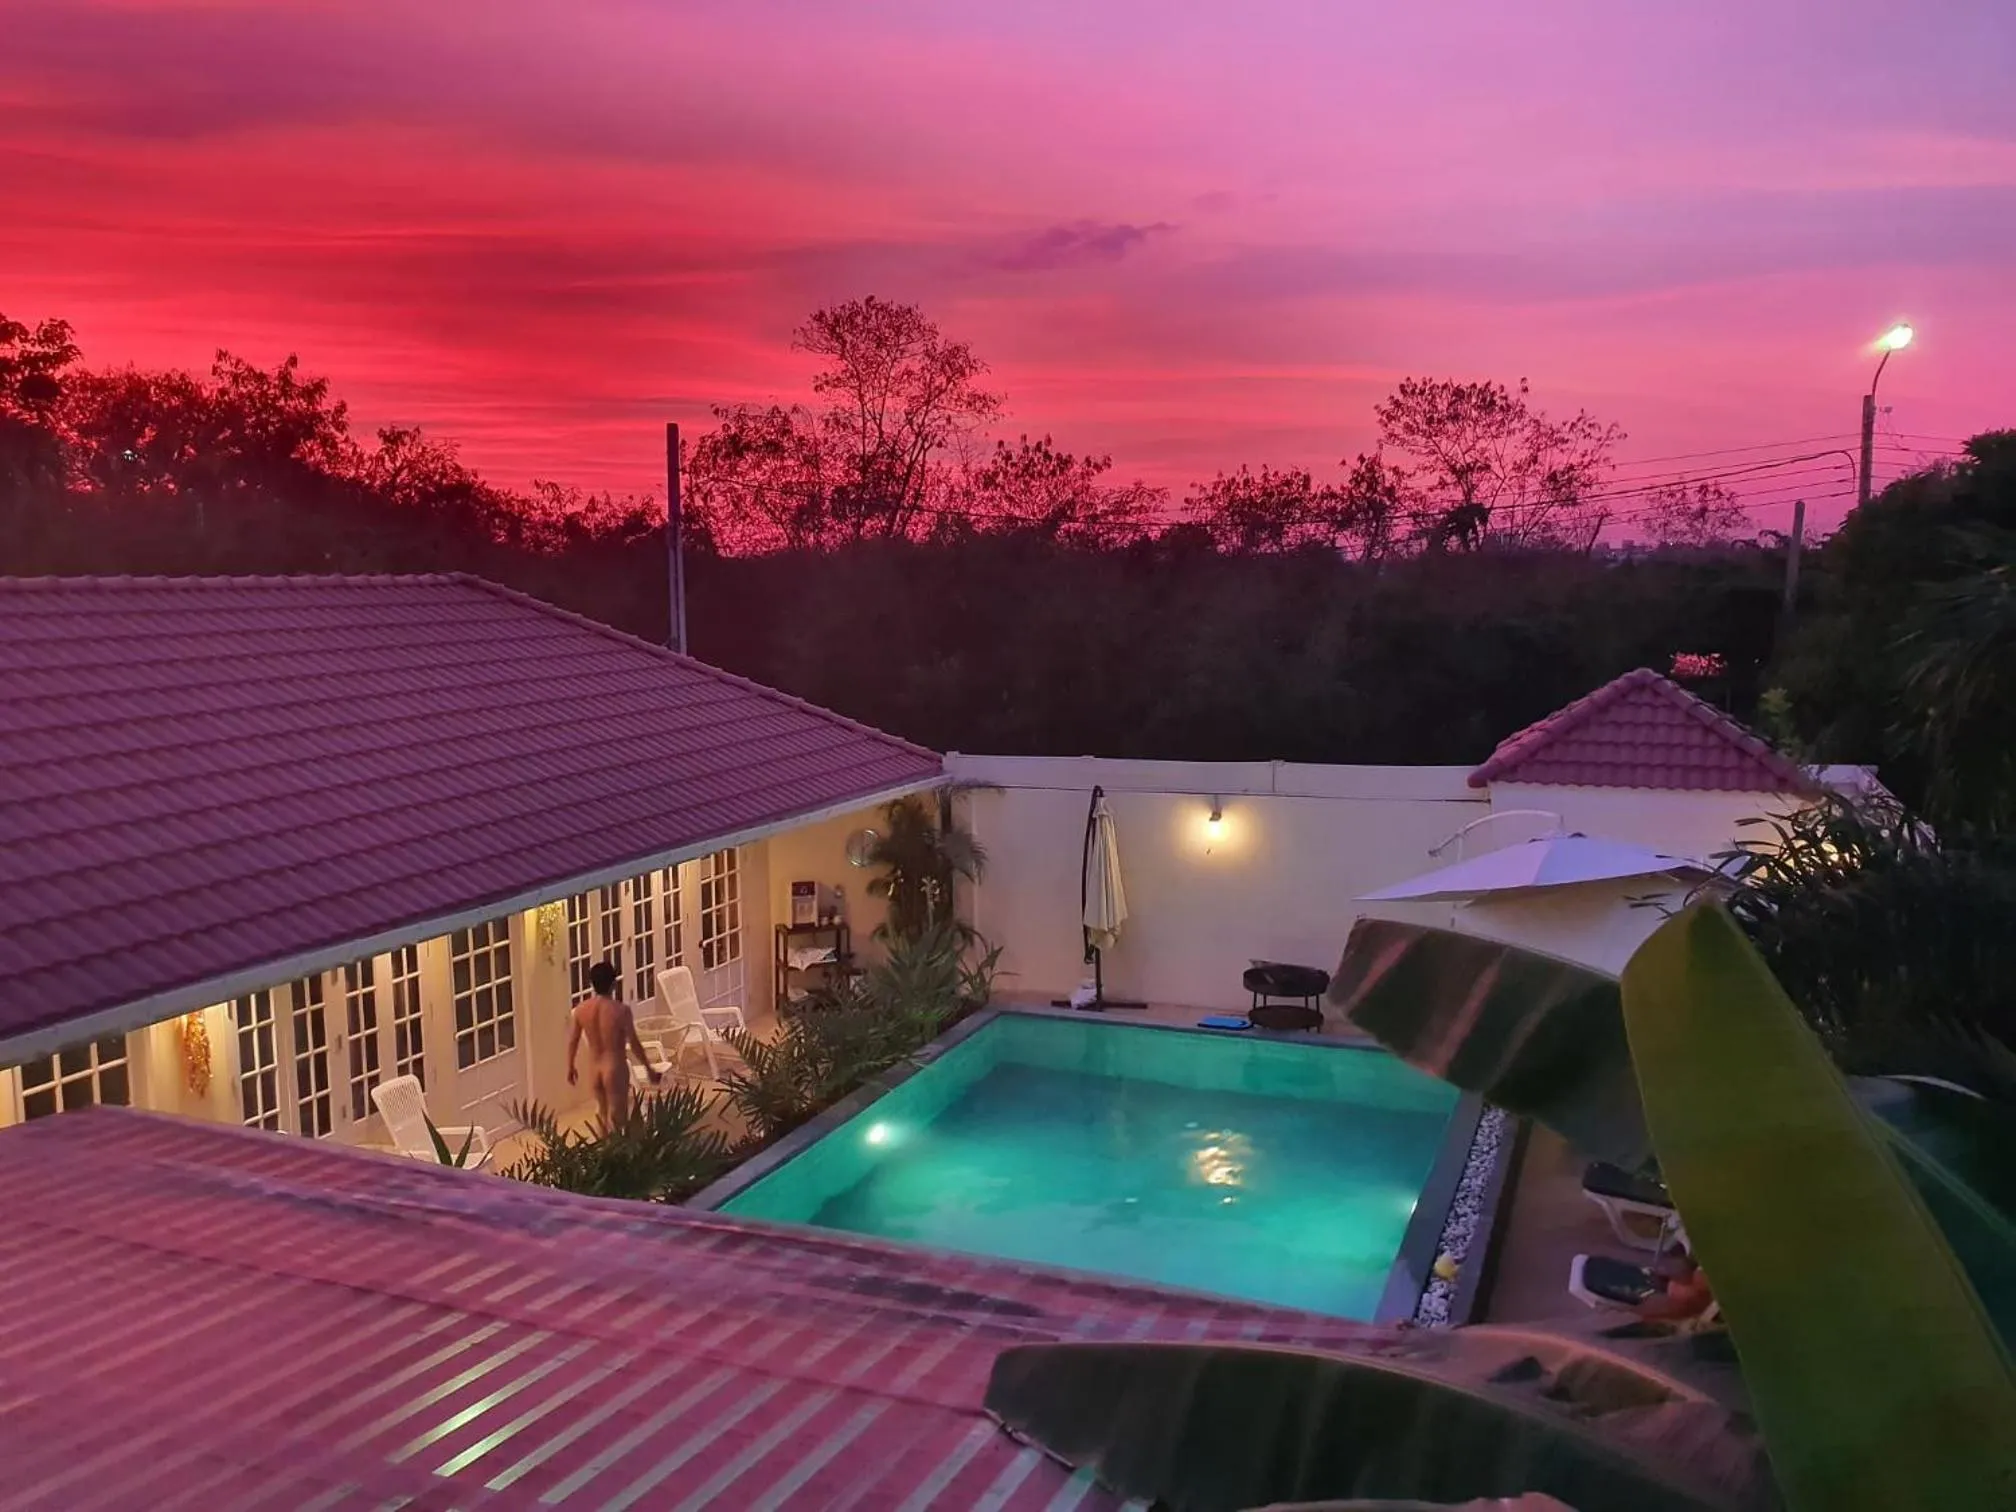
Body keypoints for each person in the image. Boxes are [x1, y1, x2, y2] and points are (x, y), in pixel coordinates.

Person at [566, 962, 660, 1130]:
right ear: (614, 984)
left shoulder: (581, 1010)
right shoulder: (620, 1010)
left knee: (602, 1113)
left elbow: (573, 1040)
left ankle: (604, 1152)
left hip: (594, 1069)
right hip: (614, 1068)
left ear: (592, 984)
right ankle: (618, 1153)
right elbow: (634, 1042)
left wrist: (570, 1066)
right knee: (618, 1117)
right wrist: (648, 1068)